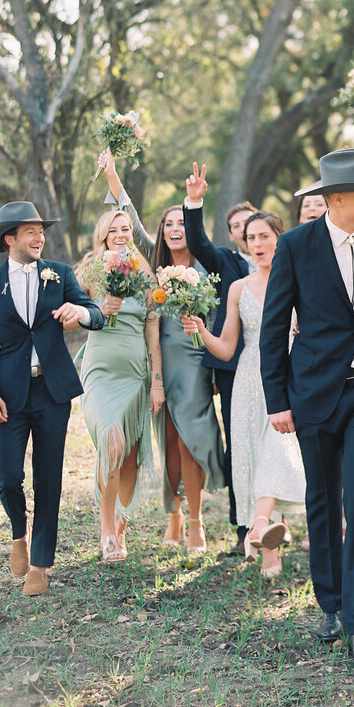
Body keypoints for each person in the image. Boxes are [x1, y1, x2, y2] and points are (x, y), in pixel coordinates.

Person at [261, 147, 354, 667]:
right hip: (314, 391)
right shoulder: (296, 245)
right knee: (323, 498)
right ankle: (329, 601)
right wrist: (277, 399)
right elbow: (274, 326)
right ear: (336, 198)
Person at [103, 177, 225, 554]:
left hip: (194, 362)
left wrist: (217, 363)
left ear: (191, 228)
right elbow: (132, 222)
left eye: (181, 223)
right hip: (158, 361)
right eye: (168, 224)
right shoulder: (153, 261)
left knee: (192, 441)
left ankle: (196, 522)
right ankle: (173, 514)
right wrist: (112, 176)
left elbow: (219, 318)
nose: (174, 229)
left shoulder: (207, 266)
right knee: (169, 439)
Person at [183, 212, 306, 578]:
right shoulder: (238, 287)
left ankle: (260, 527)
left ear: (279, 240)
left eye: (264, 236)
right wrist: (202, 331)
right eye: (251, 238)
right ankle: (268, 548)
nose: (257, 244)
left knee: (278, 450)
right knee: (252, 455)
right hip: (249, 378)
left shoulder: (299, 283)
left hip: (291, 376)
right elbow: (226, 348)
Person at [0, 201, 105, 596]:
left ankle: (41, 562)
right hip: (7, 392)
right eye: (30, 231)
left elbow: (97, 313)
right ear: (11, 239)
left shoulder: (59, 274)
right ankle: (18, 533)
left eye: (41, 230)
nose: (40, 236)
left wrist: (80, 311)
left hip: (53, 390)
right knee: (7, 476)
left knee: (49, 477)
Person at [77, 209, 163, 561]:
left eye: (126, 228)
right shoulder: (88, 274)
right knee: (111, 442)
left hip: (134, 375)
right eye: (113, 230)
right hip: (98, 372)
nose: (121, 234)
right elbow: (70, 319)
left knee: (129, 458)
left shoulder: (147, 279)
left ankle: (122, 526)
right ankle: (106, 528)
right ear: (103, 236)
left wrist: (156, 383)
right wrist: (99, 308)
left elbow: (153, 335)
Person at [183, 161, 257, 556]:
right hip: (232, 370)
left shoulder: (282, 262)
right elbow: (198, 245)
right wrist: (194, 204)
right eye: (239, 228)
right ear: (231, 235)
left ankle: (272, 520)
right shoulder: (224, 263)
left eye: (252, 226)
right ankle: (243, 527)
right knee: (238, 445)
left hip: (280, 367)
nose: (247, 234)